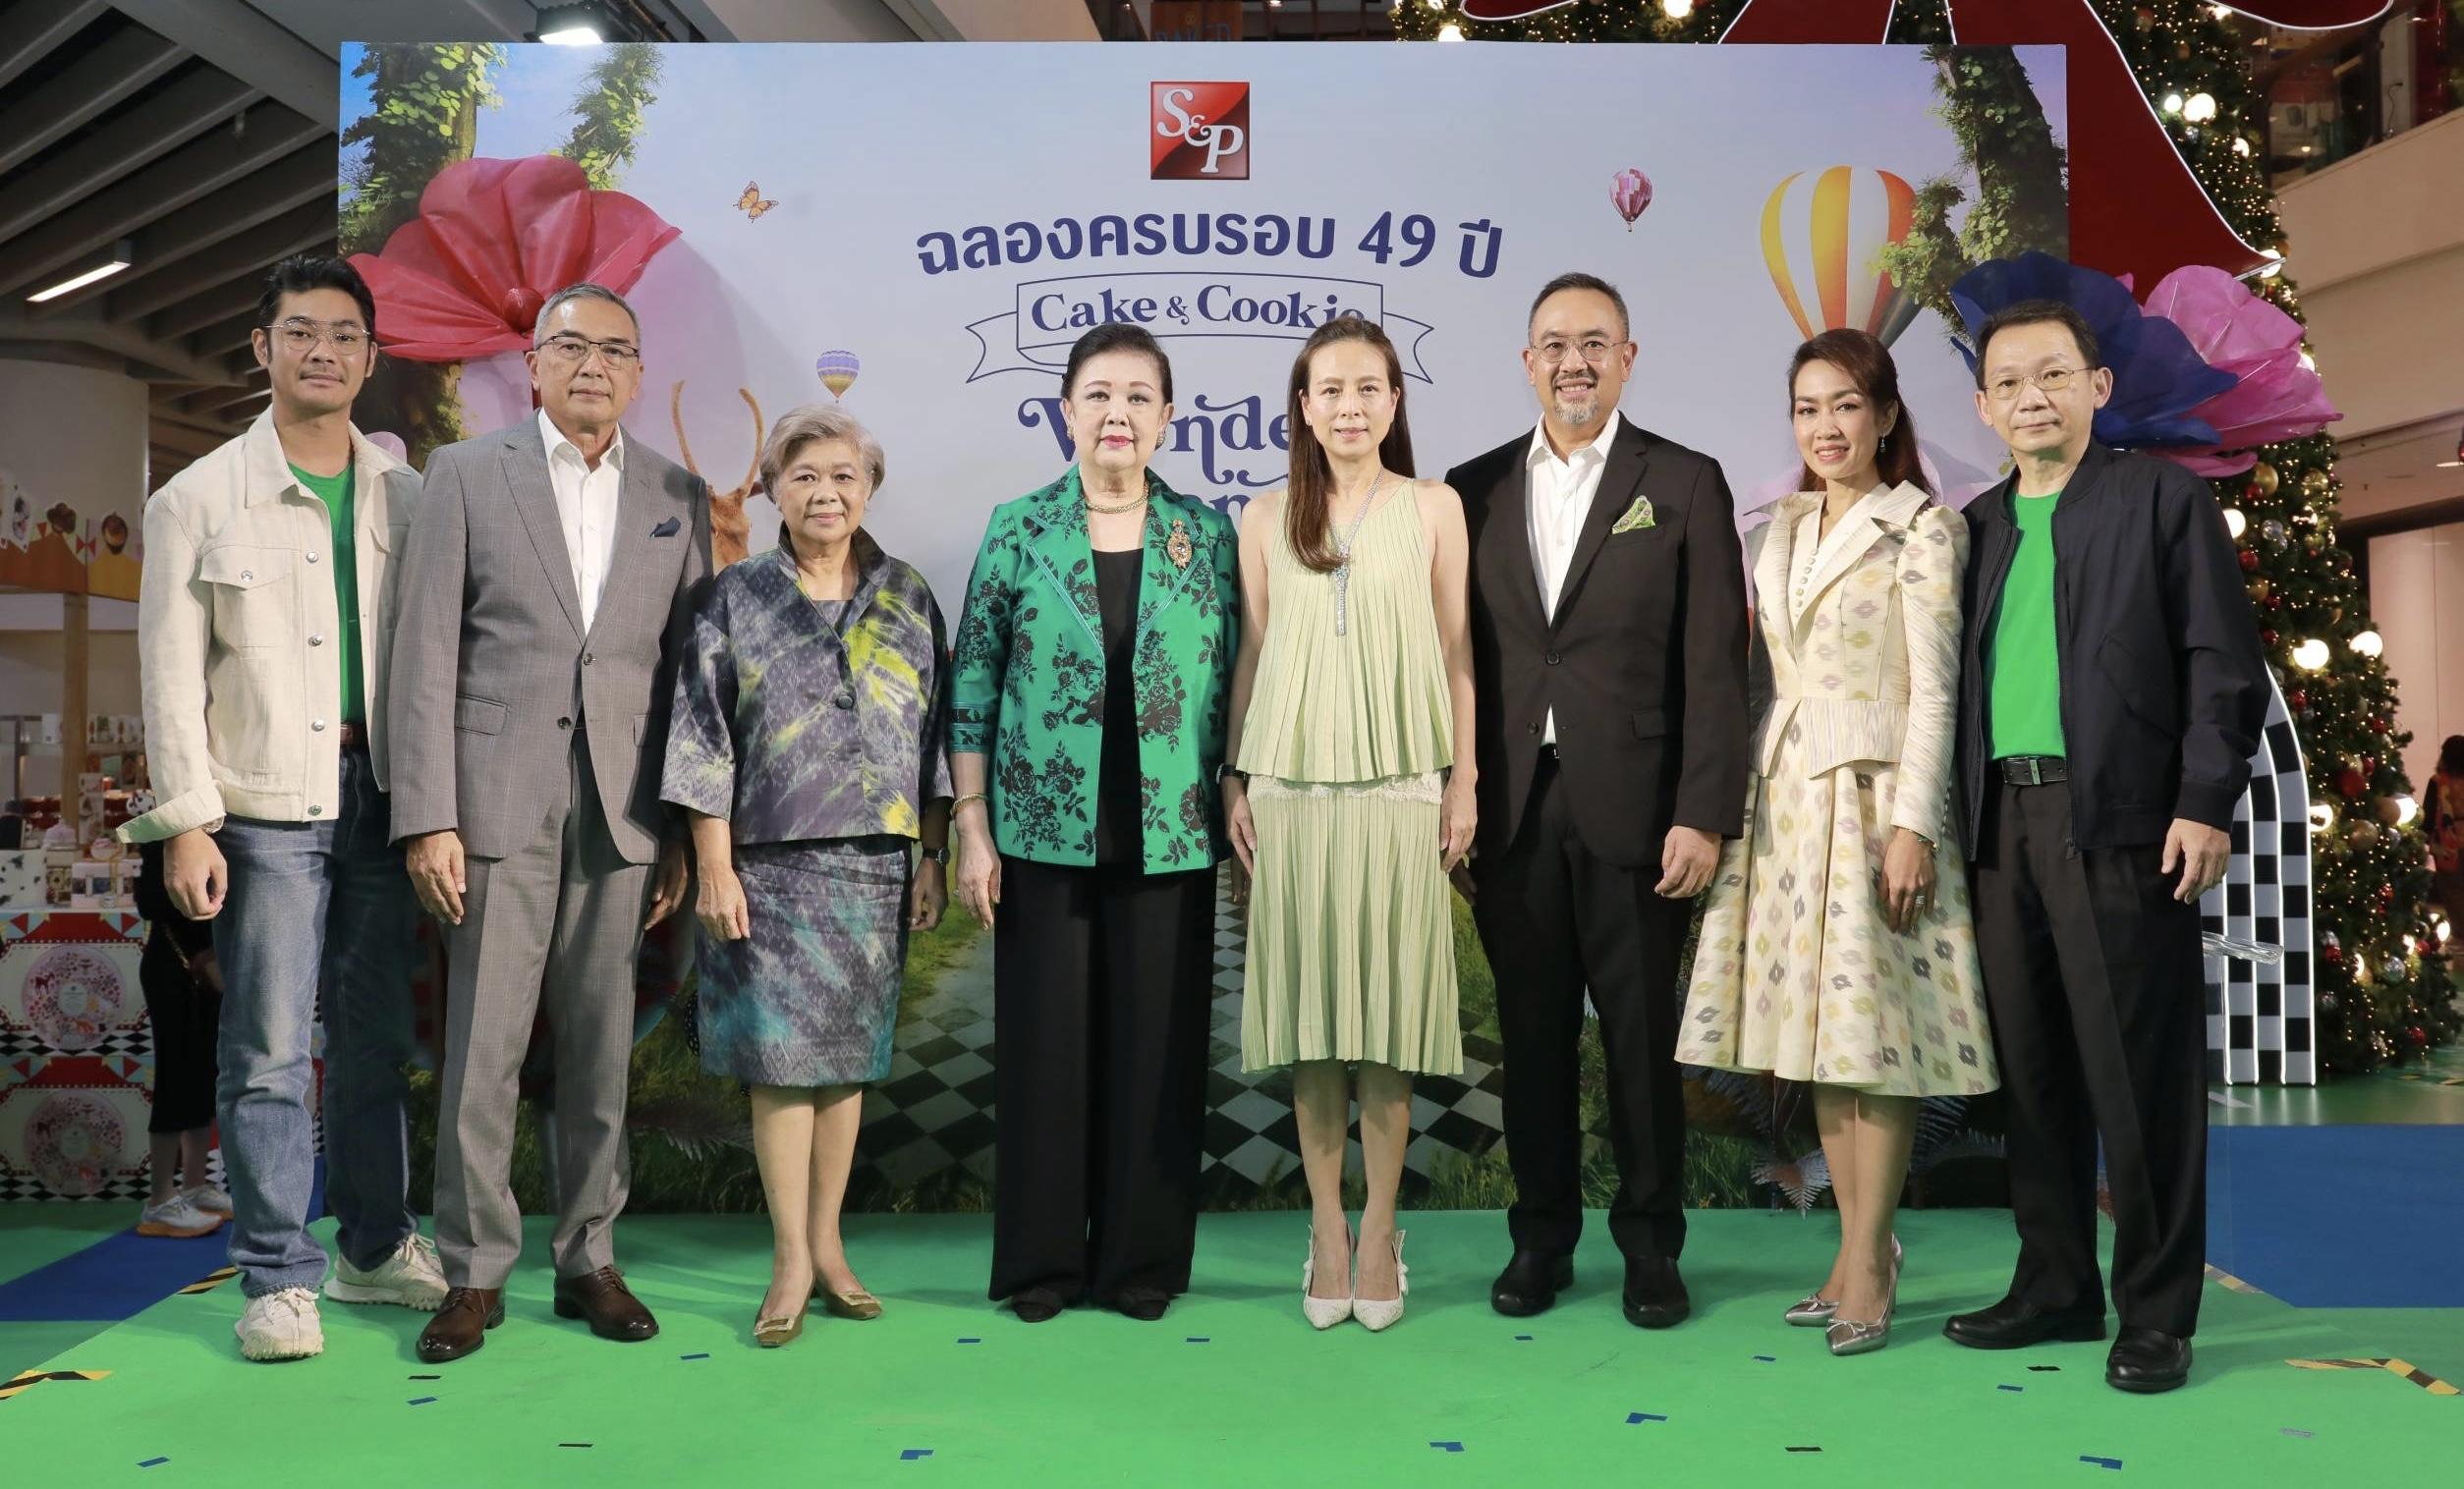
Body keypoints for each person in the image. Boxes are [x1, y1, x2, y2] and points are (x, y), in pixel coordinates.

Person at [120, 254, 443, 1361]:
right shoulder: (197, 498)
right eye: (301, 331)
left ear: (371, 356)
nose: (324, 352)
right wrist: (186, 821)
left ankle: (373, 1247)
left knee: (374, 1042)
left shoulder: (409, 496)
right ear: (262, 348)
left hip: (381, 801)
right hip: (260, 806)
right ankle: (275, 1275)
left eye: (345, 335)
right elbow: (168, 676)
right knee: (264, 1047)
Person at [1944, 299, 2268, 1395]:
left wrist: (2204, 800)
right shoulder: (1977, 526)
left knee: (2140, 1076)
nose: (2031, 398)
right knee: (2034, 1073)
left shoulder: (2162, 500)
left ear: (2098, 387)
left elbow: (2221, 661)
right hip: (2001, 826)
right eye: (2008, 382)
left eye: (2052, 375)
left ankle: (2157, 1311)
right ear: (1982, 406)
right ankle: (2055, 1284)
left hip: (2123, 821)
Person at [390, 282, 709, 1364]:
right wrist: (427, 816)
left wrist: (678, 828)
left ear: (638, 373)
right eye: (570, 347)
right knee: (482, 1044)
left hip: (625, 810)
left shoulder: (674, 491)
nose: (591, 366)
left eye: (614, 350)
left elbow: (689, 676)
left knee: (601, 1043)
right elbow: (423, 654)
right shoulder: (464, 474)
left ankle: (589, 1259)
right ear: (532, 364)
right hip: (491, 802)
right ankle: (475, 1272)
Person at [1677, 329, 1997, 1356]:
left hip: (1873, 801)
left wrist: (1914, 825)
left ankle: (1868, 1259)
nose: (1826, 426)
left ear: (1886, 415)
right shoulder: (1775, 530)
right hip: (1784, 804)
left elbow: (1936, 692)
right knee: (1817, 1040)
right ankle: (1857, 1254)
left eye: (1846, 405)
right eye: (1808, 408)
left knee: (1874, 1044)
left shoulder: (1925, 529)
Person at [1444, 272, 1749, 1329]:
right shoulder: (1470, 488)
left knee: (1638, 1040)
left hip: (1641, 812)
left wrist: (1703, 811)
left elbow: (1716, 663)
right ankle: (1541, 1239)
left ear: (1627, 356)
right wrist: (1454, 793)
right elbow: (1451, 663)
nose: (1573, 361)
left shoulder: (1686, 481)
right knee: (1530, 1041)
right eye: (1554, 344)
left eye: (1594, 342)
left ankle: (1652, 1247)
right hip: (1513, 811)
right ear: (1527, 361)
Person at [949, 324, 1239, 1323]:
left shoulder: (1206, 536)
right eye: (1100, 395)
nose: (1119, 413)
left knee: (1157, 1053)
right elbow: (973, 681)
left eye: (1139, 396)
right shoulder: (1019, 527)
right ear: (1067, 412)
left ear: (1168, 417)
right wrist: (973, 826)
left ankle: (1139, 1261)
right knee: (1047, 1053)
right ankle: (1042, 1264)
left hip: (1171, 831)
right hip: (1041, 834)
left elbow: (1240, 677)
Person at [661, 407, 954, 1347]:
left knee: (847, 1068)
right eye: (805, 477)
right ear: (773, 492)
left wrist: (933, 855)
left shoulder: (908, 595)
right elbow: (700, 735)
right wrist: (713, 864)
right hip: (767, 868)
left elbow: (936, 739)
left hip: (874, 866)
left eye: (843, 477)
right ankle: (790, 1259)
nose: (826, 494)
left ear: (868, 489)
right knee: (781, 1071)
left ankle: (830, 1248)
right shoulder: (734, 596)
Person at [1223, 318, 1477, 1332]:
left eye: (1368, 387)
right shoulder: (1262, 515)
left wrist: (1464, 781)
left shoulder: (1435, 506)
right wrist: (1236, 779)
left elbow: (1458, 654)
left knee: (1386, 1022)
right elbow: (1253, 655)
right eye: (1329, 389)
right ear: (1303, 405)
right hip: (1290, 789)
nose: (1349, 406)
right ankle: (1326, 1230)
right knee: (1313, 1026)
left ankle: (1380, 1231)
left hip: (1401, 784)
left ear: (1395, 400)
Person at [130, 838, 229, 1240]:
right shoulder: (169, 831)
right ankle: (160, 1199)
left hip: (209, 964)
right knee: (176, 1076)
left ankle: (194, 1185)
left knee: (204, 1075)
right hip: (176, 964)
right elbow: (152, 899)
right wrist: (203, 950)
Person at [2424, 736, 2464, 930]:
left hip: (2447, 845)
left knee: (2452, 891)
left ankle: (2460, 933)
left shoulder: (2437, 781)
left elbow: (2429, 814)